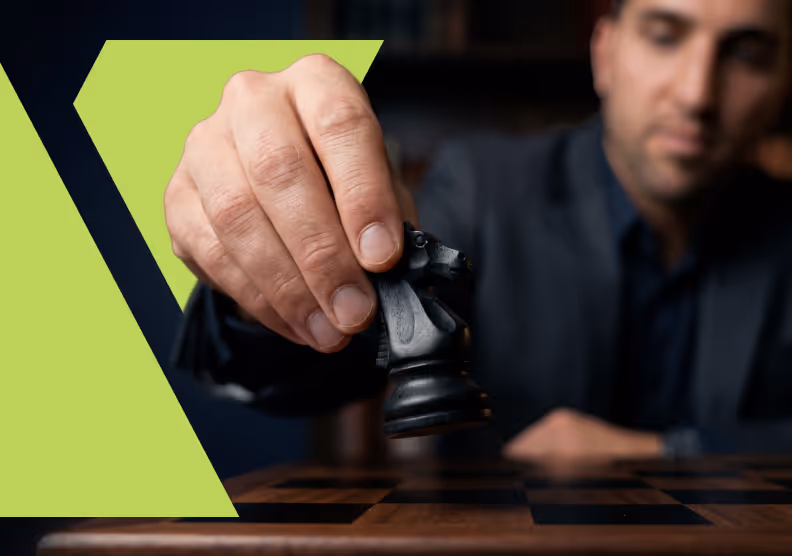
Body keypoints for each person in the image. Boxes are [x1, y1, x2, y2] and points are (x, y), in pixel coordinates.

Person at [165, 0, 792, 464]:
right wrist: (269, 272)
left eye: (746, 52)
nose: (696, 93)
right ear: (605, 53)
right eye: (664, 36)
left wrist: (661, 448)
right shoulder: (483, 187)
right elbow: (331, 356)